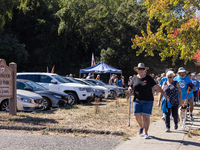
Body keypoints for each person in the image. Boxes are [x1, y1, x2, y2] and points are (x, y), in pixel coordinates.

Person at [129, 63, 169, 139]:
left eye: (143, 69)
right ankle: (141, 126)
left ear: (145, 70)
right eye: (140, 69)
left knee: (146, 117)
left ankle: (146, 133)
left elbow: (157, 87)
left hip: (148, 100)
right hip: (137, 100)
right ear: (137, 70)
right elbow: (131, 86)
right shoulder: (134, 78)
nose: (141, 70)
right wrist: (130, 89)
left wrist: (164, 95)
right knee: (136, 115)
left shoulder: (149, 78)